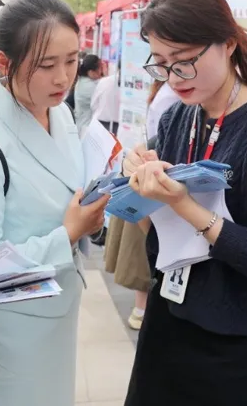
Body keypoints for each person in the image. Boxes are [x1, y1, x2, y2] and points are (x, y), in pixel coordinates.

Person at [120, 0, 247, 406]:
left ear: (228, 44)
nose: (174, 77)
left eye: (184, 61)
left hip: (236, 343)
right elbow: (157, 235)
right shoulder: (178, 118)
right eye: (161, 64)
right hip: (169, 318)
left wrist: (185, 205)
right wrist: (139, 185)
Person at [0, 0, 110, 406]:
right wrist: (68, 233)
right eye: (46, 65)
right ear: (3, 63)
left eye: (71, 60)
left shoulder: (62, 114)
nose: (62, 78)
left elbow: (68, 192)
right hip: (8, 331)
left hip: (57, 312)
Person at [104, 81, 180, 330]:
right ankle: (141, 310)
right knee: (144, 257)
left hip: (152, 184)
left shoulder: (166, 93)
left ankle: (141, 310)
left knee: (144, 255)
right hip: (154, 185)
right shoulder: (173, 100)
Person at [73, 54, 103, 135]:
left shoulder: (84, 81)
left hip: (83, 124)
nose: (101, 72)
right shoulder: (88, 86)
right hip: (85, 127)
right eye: (100, 68)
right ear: (91, 72)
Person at [91, 58, 120, 134]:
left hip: (100, 124)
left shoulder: (105, 81)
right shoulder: (132, 88)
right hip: (119, 127)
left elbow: (93, 104)